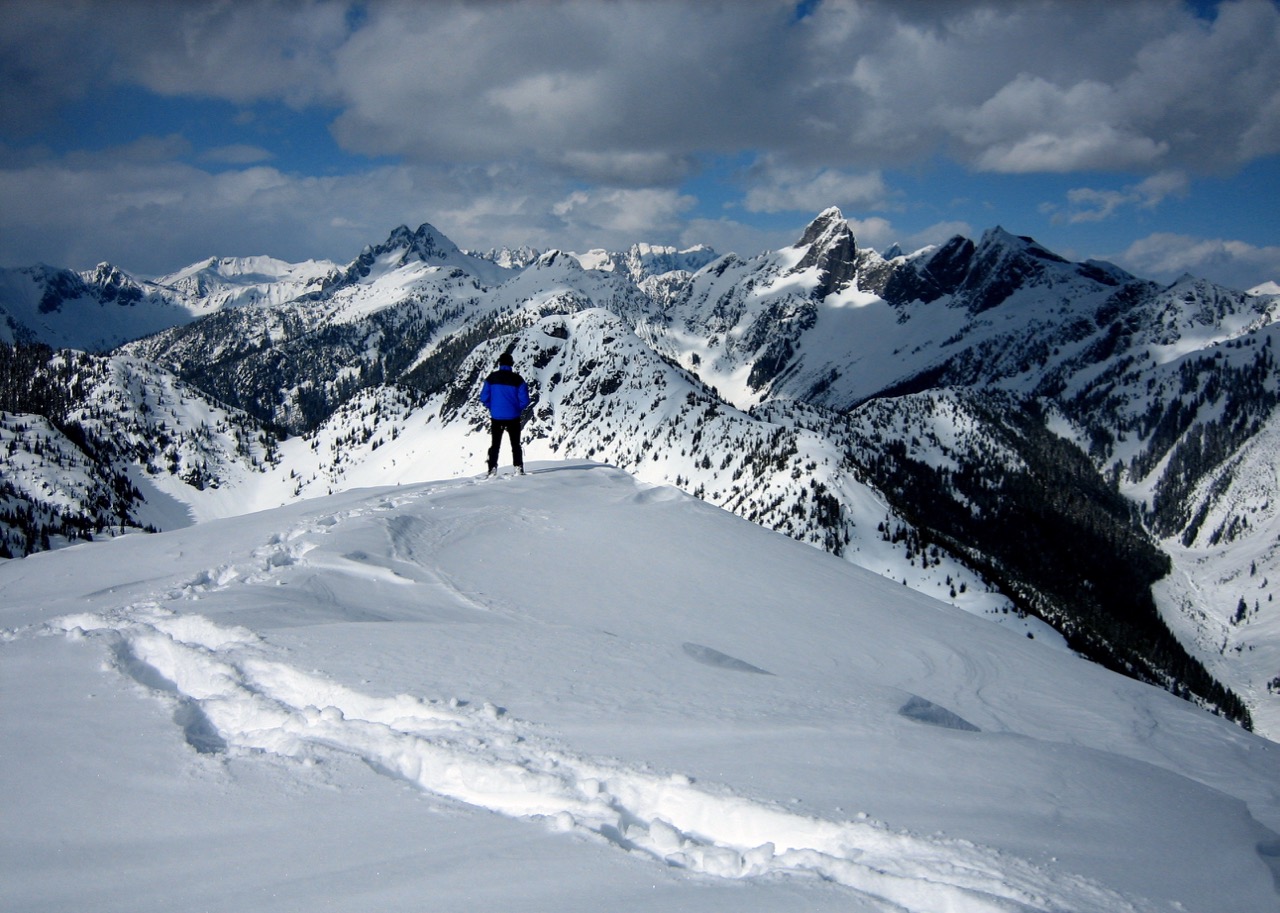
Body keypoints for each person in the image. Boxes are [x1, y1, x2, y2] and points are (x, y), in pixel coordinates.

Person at [479, 351, 530, 476]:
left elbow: (484, 397)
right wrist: (517, 409)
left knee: (495, 445)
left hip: (496, 417)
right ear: (511, 364)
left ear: (500, 364)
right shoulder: (518, 379)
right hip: (513, 417)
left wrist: (492, 407)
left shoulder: (491, 378)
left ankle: (492, 469)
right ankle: (518, 467)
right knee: (515, 444)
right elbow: (525, 400)